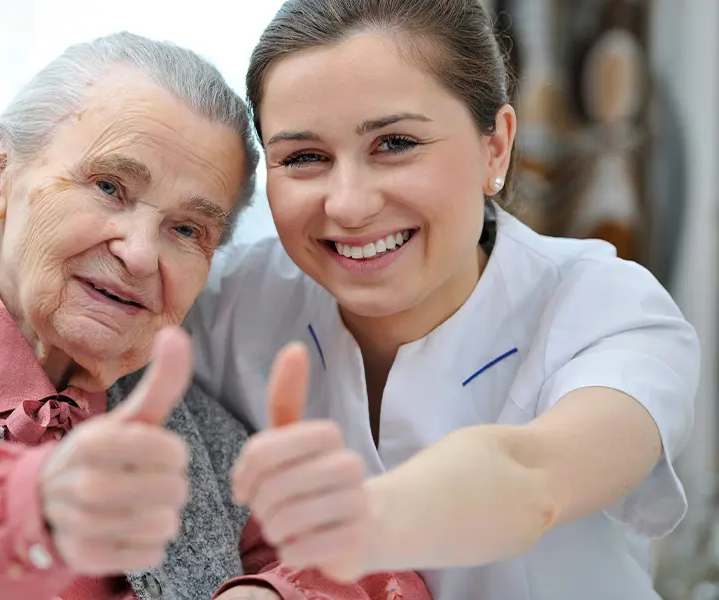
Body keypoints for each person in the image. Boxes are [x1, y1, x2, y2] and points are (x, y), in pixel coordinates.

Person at [0, 33, 430, 600]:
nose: (140, 254)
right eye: (110, 187)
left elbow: (383, 572)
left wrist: (267, 593)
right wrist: (37, 504)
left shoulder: (194, 433)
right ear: (0, 175)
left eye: (188, 230)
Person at [185, 1, 700, 599]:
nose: (348, 205)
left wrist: (345, 534)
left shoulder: (605, 306)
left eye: (395, 143)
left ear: (496, 148)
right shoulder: (230, 304)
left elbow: (533, 476)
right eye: (304, 157)